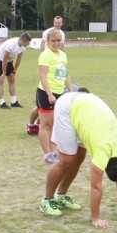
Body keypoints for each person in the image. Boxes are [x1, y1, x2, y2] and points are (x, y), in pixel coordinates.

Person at [40, 91, 117, 227]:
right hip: (67, 106)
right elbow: (96, 187)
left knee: (80, 156)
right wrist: (96, 219)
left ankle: (61, 196)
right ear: (105, 166)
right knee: (66, 160)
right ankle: (46, 200)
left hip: (87, 110)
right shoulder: (102, 153)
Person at [37, 30, 73, 164]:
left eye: (58, 41)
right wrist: (49, 94)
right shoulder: (45, 55)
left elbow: (66, 74)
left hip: (59, 92)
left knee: (54, 124)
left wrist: (70, 90)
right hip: (46, 93)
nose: (56, 43)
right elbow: (42, 76)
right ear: (47, 42)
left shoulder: (63, 55)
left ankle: (53, 153)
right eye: (53, 41)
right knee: (45, 124)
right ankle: (46, 154)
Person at [0, 33, 31, 109]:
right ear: (23, 41)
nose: (28, 44)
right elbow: (4, 59)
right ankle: (2, 103)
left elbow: (18, 60)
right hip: (0, 59)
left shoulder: (22, 47)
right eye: (27, 43)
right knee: (1, 80)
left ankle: (14, 102)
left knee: (12, 80)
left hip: (9, 60)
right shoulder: (11, 45)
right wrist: (4, 73)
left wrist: (14, 72)